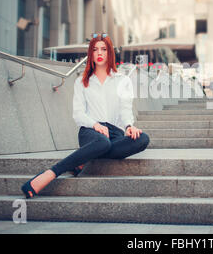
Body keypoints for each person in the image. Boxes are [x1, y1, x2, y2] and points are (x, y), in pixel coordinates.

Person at [21, 33, 149, 198]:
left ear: (110, 53)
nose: (99, 53)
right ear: (91, 54)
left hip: (114, 133)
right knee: (102, 142)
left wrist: (129, 126)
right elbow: (78, 114)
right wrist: (95, 125)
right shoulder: (81, 81)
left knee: (142, 139)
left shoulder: (122, 80)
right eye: (95, 49)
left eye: (104, 49)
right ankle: (51, 173)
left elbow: (125, 110)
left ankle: (84, 158)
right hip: (90, 132)